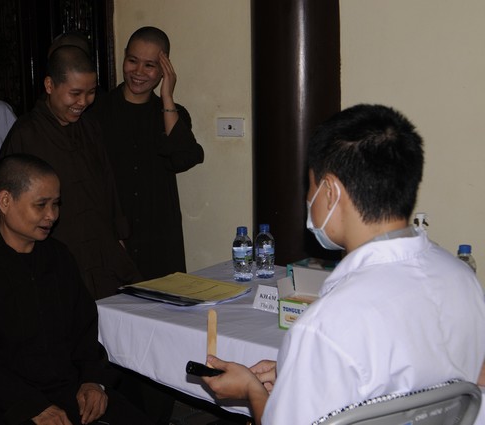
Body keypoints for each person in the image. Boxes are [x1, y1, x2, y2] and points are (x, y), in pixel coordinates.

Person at [201, 104, 485, 425]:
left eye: (310, 186)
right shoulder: (462, 278)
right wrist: (300, 373)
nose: (308, 198)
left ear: (330, 191)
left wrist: (253, 391)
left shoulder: (326, 324)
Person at [0, 154, 154, 425]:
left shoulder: (58, 257)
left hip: (69, 390)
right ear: (5, 201)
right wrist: (32, 407)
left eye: (56, 204)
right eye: (41, 205)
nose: (52, 215)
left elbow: (84, 328)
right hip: (4, 402)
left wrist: (92, 380)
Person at [1, 45, 139, 300]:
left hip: (101, 248)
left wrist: (119, 235)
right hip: (56, 253)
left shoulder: (90, 127)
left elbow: (107, 183)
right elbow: (11, 208)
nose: (83, 102)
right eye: (75, 93)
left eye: (90, 93)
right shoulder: (26, 135)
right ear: (49, 85)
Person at [89, 26, 204, 281]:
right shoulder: (97, 112)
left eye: (150, 65)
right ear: (124, 57)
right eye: (133, 61)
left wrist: (167, 97)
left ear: (164, 69)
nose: (138, 72)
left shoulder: (172, 114)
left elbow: (183, 158)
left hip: (159, 238)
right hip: (112, 237)